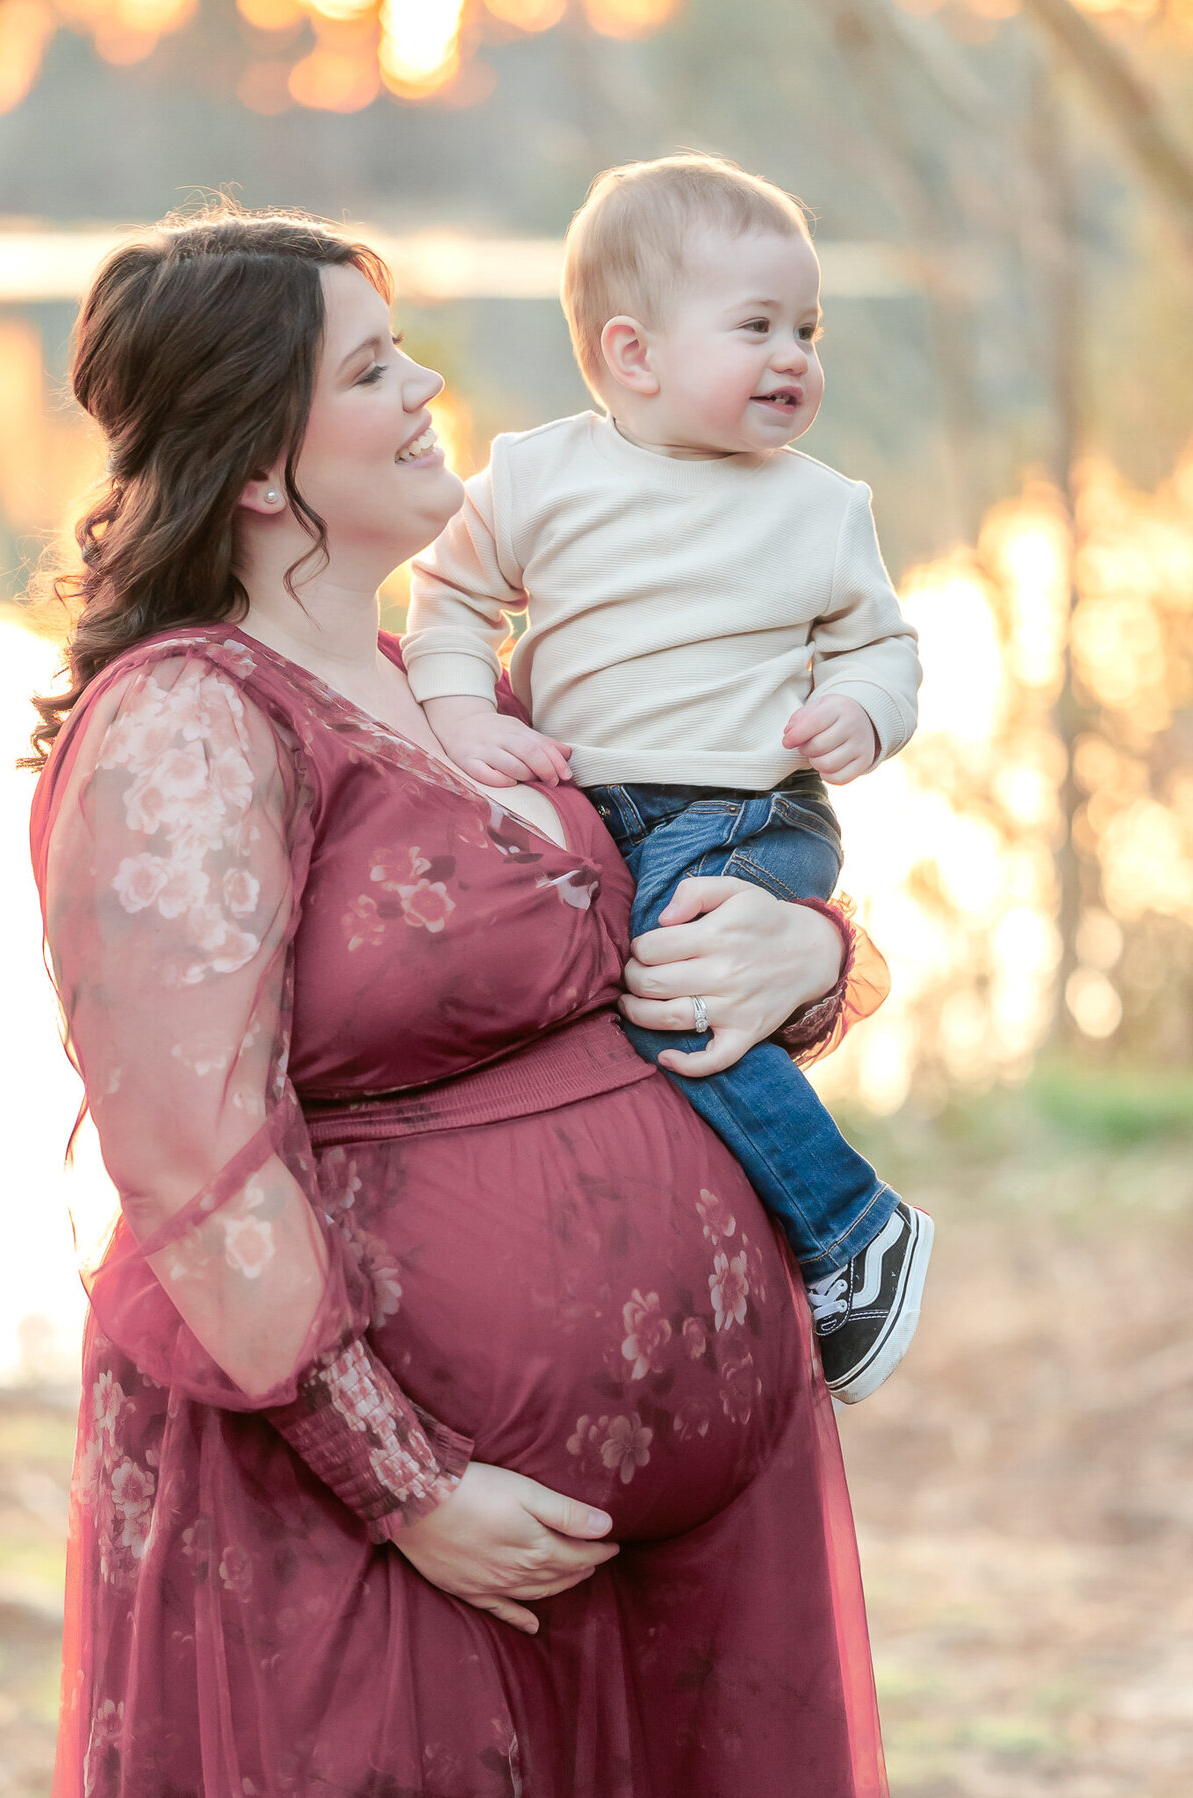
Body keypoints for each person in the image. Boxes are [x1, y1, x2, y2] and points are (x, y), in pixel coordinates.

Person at [28, 204, 889, 1797]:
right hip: (391, 1536)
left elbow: (680, 911)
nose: (428, 383)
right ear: (266, 464)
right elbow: (196, 1162)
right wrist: (408, 1483)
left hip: (688, 1530)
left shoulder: (478, 692)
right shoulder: (192, 721)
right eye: (372, 363)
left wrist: (819, 957)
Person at [403, 153, 932, 1405]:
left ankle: (854, 1229)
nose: (795, 354)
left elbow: (884, 642)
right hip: (604, 807)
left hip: (753, 811)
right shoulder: (537, 476)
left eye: (807, 327)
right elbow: (449, 598)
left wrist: (866, 706)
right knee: (624, 987)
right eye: (757, 327)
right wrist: (458, 711)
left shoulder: (822, 505)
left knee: (671, 984)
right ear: (633, 355)